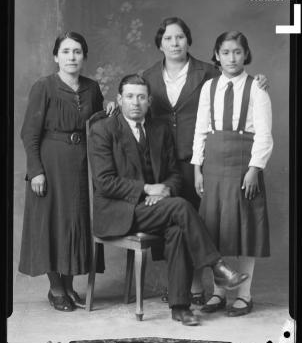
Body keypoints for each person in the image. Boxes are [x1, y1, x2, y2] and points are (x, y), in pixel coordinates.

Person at [88, 73, 249, 326]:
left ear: (150, 101)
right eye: (129, 96)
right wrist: (147, 189)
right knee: (181, 208)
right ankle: (217, 266)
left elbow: (175, 174)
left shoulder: (159, 129)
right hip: (118, 211)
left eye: (141, 97)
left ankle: (180, 307)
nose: (135, 102)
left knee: (176, 229)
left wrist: (163, 189)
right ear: (119, 99)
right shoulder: (103, 130)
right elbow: (104, 181)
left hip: (157, 207)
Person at [143, 17, 269, 305]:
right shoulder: (148, 76)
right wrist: (113, 103)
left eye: (180, 37)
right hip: (168, 162)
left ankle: (211, 289)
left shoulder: (209, 73)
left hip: (204, 160)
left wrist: (261, 80)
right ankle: (182, 286)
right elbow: (132, 98)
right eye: (168, 38)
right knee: (179, 226)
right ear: (160, 43)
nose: (174, 43)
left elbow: (237, 79)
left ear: (189, 40)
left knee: (209, 225)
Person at [19, 31, 116, 312]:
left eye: (77, 52)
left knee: (76, 222)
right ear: (56, 57)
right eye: (66, 51)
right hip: (50, 163)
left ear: (84, 57)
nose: (71, 57)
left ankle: (70, 285)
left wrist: (108, 110)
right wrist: (35, 170)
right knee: (51, 223)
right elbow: (29, 132)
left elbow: (98, 131)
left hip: (83, 165)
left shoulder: (92, 87)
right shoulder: (44, 86)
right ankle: (55, 288)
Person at [191, 31, 273, 317]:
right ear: (216, 55)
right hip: (213, 163)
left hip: (243, 164)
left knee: (245, 227)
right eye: (225, 52)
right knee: (215, 229)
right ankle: (219, 293)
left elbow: (264, 133)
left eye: (237, 52)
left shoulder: (256, 88)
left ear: (245, 54)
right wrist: (197, 168)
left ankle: (245, 295)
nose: (231, 58)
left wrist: (254, 169)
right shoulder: (208, 87)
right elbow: (201, 129)